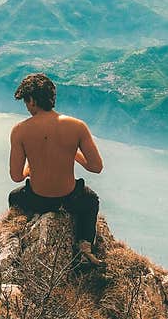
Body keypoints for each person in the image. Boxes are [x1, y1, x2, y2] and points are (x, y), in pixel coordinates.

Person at [7, 73, 105, 266]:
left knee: (14, 196)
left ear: (33, 100)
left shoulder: (19, 131)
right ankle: (85, 245)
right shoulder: (77, 126)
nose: (27, 107)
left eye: (26, 101)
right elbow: (96, 167)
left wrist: (30, 168)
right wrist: (73, 153)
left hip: (38, 201)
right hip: (70, 200)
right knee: (91, 200)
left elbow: (16, 176)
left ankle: (23, 235)